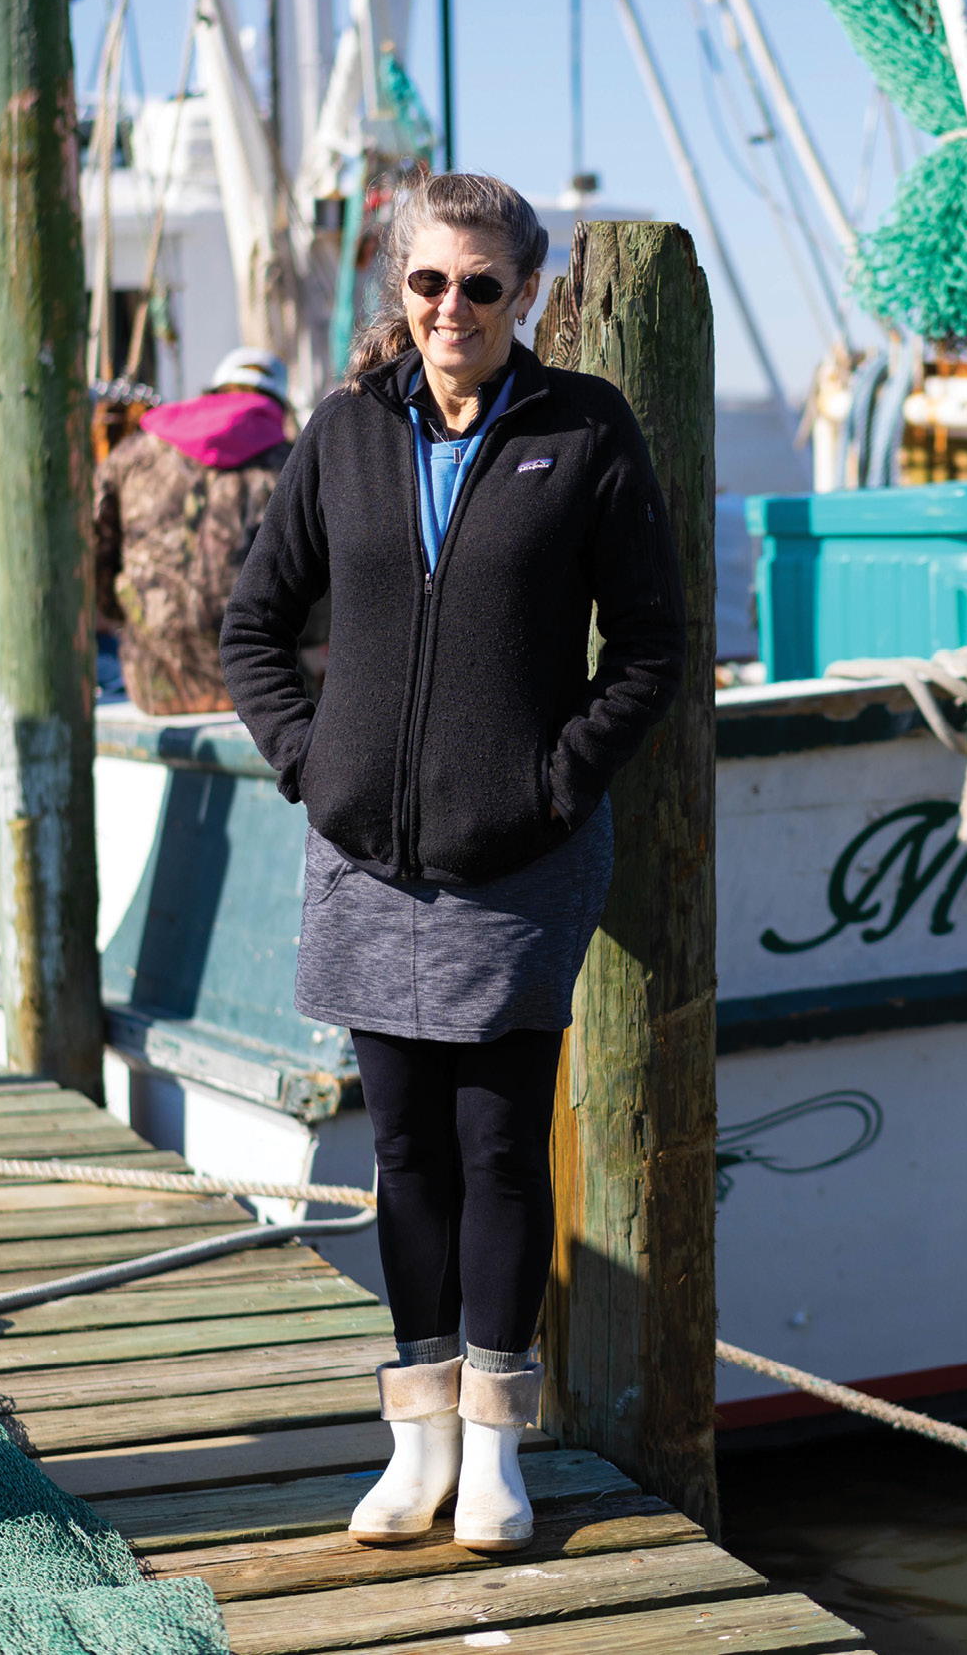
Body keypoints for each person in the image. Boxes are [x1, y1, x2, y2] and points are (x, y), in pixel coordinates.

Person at [219, 173, 685, 1552]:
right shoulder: (348, 431)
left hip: (515, 863)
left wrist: (549, 787)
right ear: (399, 288)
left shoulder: (583, 432)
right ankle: (413, 1443)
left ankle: (496, 1452)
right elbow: (254, 627)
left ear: (525, 293)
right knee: (405, 1151)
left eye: (483, 285)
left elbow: (650, 648)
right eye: (429, 282)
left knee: (497, 1146)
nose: (453, 308)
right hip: (366, 855)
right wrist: (321, 766)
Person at [94, 348, 312, 715]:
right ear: (280, 404)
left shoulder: (131, 455)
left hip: (154, 685)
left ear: (213, 392)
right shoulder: (296, 464)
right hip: (267, 693)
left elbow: (95, 556)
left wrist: (127, 614)